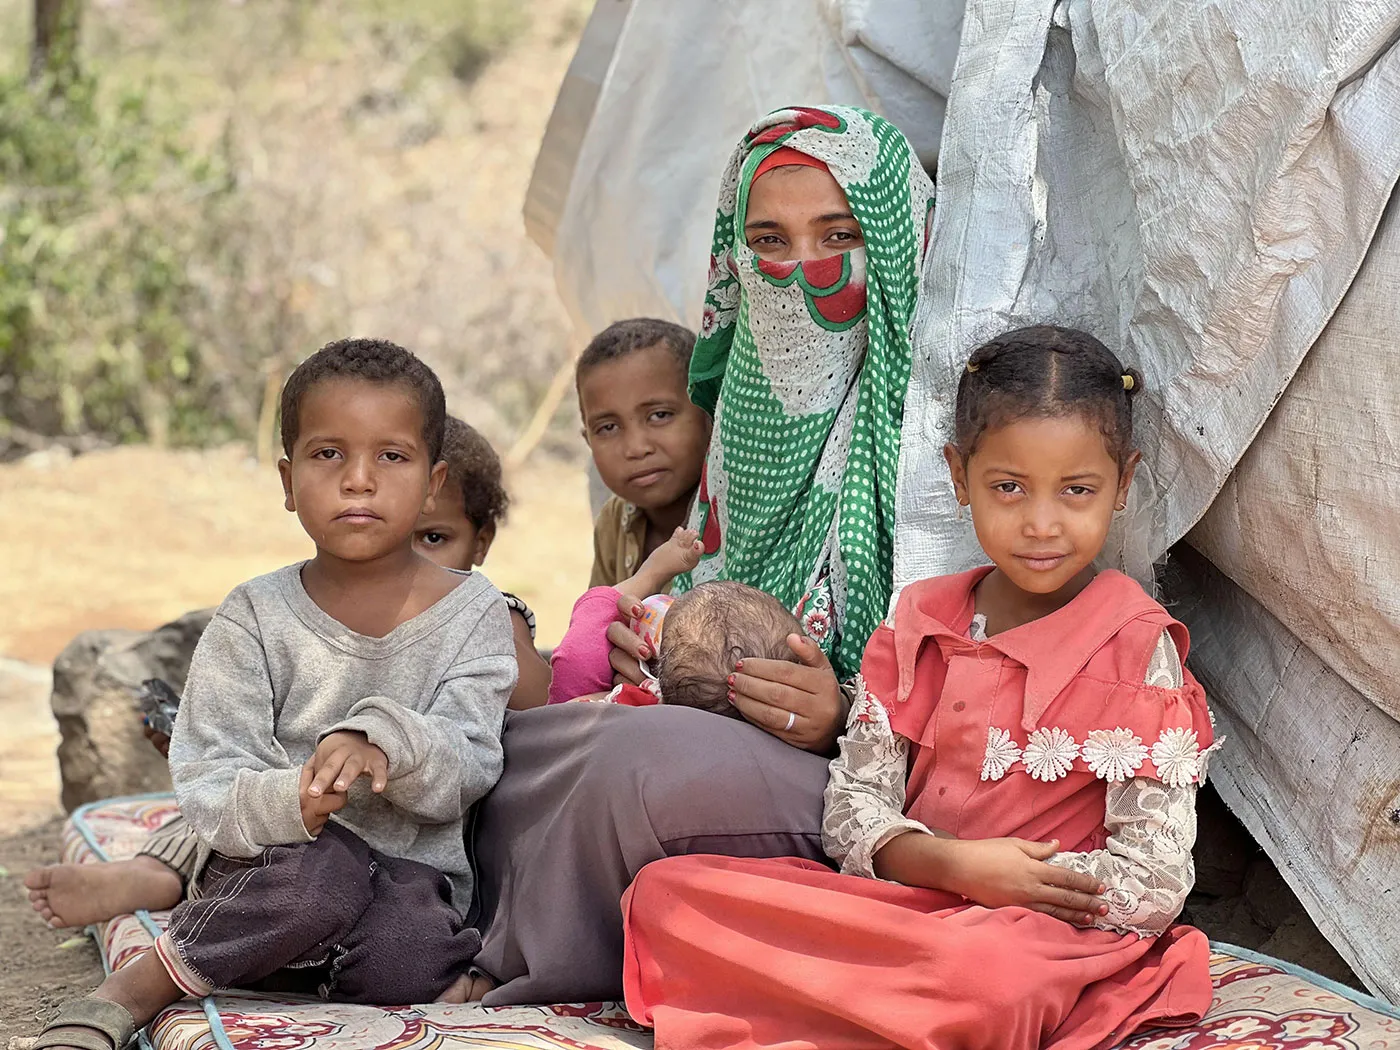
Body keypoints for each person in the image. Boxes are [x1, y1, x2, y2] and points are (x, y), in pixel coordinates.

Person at [469, 108, 1101, 1009]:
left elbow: (994, 708)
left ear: (889, 240)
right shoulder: (740, 416)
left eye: (837, 234)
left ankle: (545, 962)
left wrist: (841, 713)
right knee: (522, 735)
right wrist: (648, 641)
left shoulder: (950, 445)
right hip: (712, 734)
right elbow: (707, 589)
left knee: (632, 763)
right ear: (735, 256)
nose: (800, 270)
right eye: (768, 239)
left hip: (871, 792)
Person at [620, 326, 1219, 1050]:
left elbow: (1152, 883)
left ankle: (849, 1005)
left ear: (1122, 485)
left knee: (989, 979)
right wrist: (951, 865)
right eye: (1008, 487)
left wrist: (1011, 884)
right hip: (903, 906)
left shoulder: (1135, 645)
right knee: (664, 896)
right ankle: (884, 1010)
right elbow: (851, 809)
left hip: (1039, 938)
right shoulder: (920, 620)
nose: (1040, 522)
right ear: (959, 476)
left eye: (1077, 491)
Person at [31, 340, 517, 1050]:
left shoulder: (475, 612)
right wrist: (292, 800)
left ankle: (270, 959)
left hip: (410, 875)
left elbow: (472, 762)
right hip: (278, 860)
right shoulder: (255, 614)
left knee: (415, 955)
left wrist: (381, 738)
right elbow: (208, 777)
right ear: (288, 482)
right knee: (320, 881)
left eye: (392, 456)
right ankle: (144, 984)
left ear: (433, 478)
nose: (358, 480)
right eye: (328, 455)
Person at [25, 414, 546, 932]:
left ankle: (171, 893)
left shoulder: (484, 614)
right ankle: (150, 874)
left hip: (414, 837)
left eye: (431, 538)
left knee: (339, 892)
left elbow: (538, 699)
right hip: (294, 818)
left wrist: (465, 645)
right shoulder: (277, 612)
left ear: (480, 542)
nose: (401, 552)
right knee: (218, 819)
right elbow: (237, 766)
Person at [548, 526, 803, 713]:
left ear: (658, 674)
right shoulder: (800, 756)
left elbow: (574, 662)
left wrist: (645, 578)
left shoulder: (620, 708)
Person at [579, 318, 712, 589]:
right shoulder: (615, 522)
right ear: (588, 440)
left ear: (708, 415)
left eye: (659, 415)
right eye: (608, 427)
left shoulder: (737, 516)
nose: (636, 448)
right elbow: (596, 622)